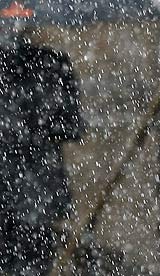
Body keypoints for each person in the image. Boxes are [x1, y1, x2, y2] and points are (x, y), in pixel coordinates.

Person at [0, 11, 83, 275]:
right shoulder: (53, 63)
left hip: (35, 192)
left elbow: (71, 127)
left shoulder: (52, 64)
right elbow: (72, 128)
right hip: (39, 192)